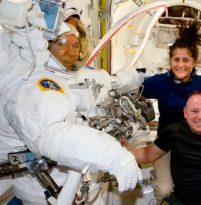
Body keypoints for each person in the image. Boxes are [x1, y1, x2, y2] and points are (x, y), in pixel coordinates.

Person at [0, 2, 142, 204]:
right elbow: (53, 133)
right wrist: (115, 157)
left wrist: (141, 78)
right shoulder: (31, 84)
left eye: (76, 45)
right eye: (62, 44)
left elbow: (111, 82)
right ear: (43, 44)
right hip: (48, 194)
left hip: (85, 187)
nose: (71, 52)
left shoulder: (74, 75)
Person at [117, 19, 201, 203]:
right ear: (170, 60)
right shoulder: (159, 83)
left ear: (194, 61)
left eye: (186, 60)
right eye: (176, 59)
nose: (181, 64)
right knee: (164, 189)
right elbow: (133, 88)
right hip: (167, 145)